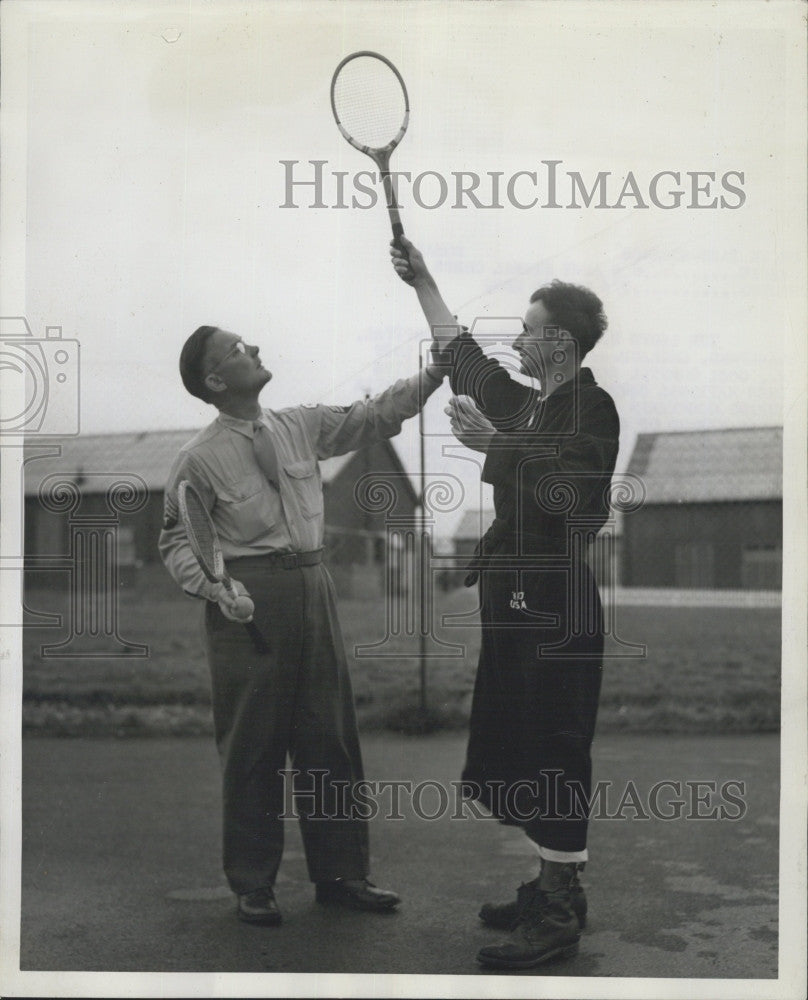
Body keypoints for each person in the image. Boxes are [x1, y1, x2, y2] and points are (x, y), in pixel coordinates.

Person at [159, 325, 445, 925]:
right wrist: (216, 586)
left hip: (315, 588)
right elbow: (178, 542)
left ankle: (342, 874)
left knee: (330, 738)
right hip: (248, 598)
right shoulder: (197, 459)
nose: (255, 349)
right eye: (238, 350)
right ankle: (253, 882)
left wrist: (435, 373)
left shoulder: (300, 425)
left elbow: (373, 415)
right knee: (252, 744)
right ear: (215, 381)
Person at [390, 236, 619, 969]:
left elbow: (571, 497)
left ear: (558, 340)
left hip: (556, 607)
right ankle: (555, 883)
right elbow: (462, 356)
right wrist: (423, 278)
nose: (516, 338)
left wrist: (497, 443)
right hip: (519, 605)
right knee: (522, 745)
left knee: (554, 749)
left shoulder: (593, 408)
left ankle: (556, 914)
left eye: (526, 327)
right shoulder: (529, 404)